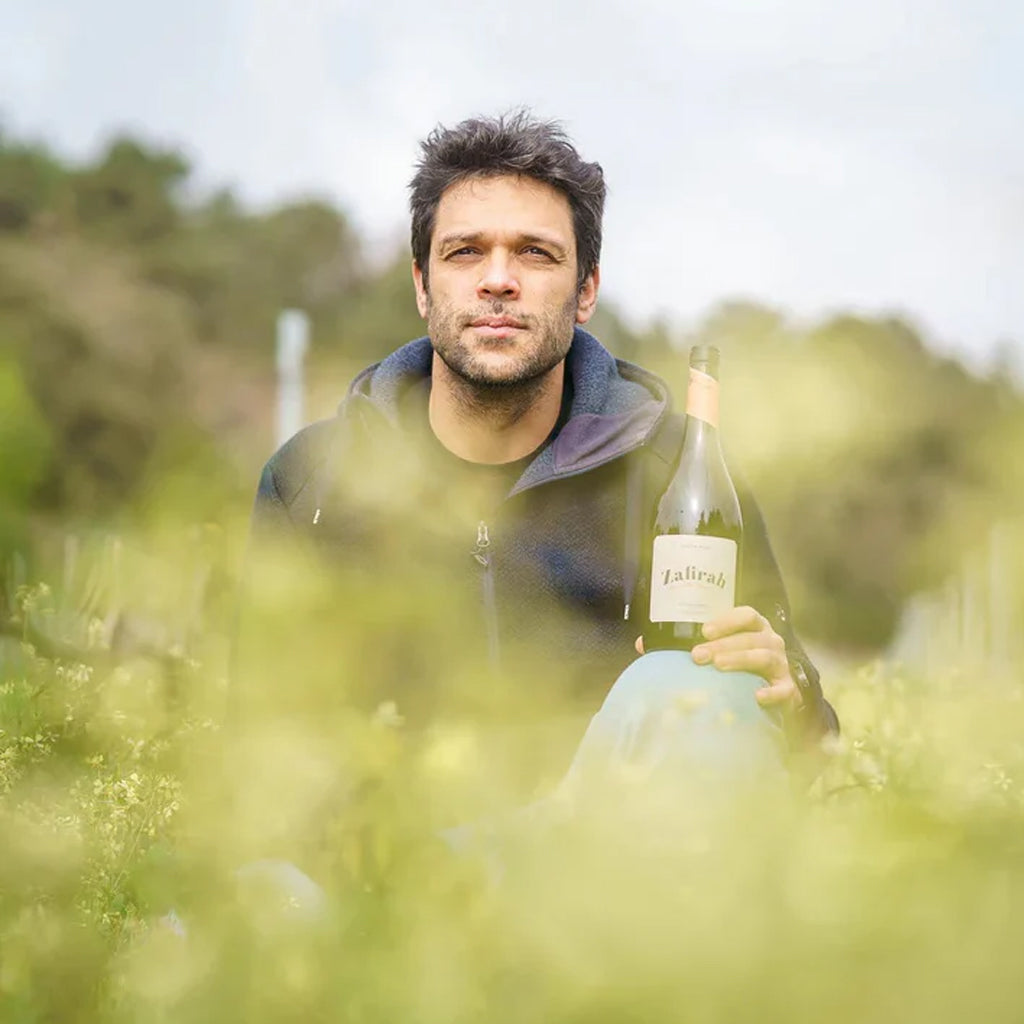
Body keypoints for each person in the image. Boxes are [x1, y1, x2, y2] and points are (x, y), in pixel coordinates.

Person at [236, 110, 837, 831]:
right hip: (386, 894)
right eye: (465, 253)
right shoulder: (311, 481)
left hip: (596, 892)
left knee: (690, 677)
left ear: (586, 290)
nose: (498, 281)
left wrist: (788, 687)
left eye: (535, 254)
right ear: (423, 286)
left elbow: (804, 735)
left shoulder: (679, 471)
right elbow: (253, 744)